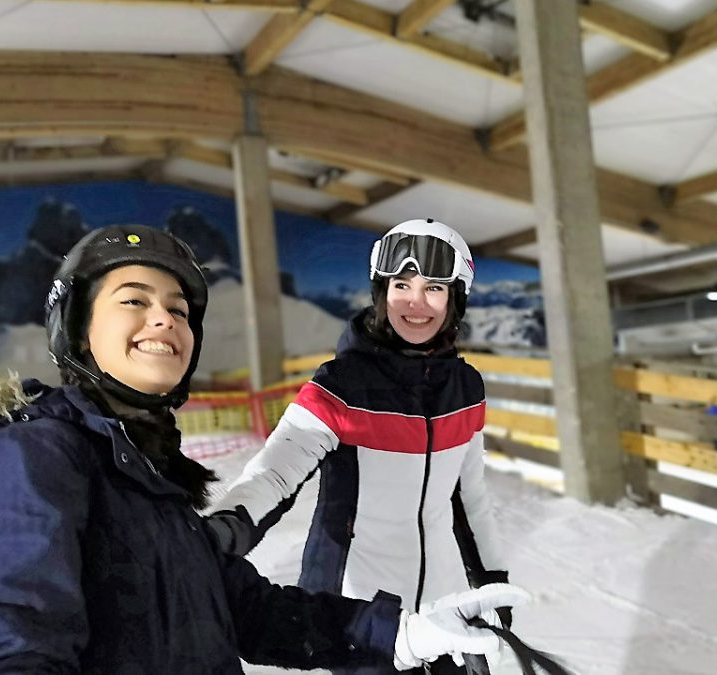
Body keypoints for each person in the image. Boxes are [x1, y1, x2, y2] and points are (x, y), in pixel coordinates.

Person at [0, 224, 527, 674]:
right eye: (134, 301)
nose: (163, 321)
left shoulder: (148, 473)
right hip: (358, 585)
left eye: (177, 310)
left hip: (420, 608)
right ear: (75, 326)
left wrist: (425, 622)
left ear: (456, 301)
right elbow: (278, 468)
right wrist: (229, 526)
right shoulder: (28, 458)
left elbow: (245, 611)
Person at [208, 219, 509, 674]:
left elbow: (468, 497)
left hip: (444, 606)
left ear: (455, 300)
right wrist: (222, 532)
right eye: (401, 285)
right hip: (356, 611)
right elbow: (275, 473)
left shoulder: (465, 388)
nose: (414, 302)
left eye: (433, 288)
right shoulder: (341, 385)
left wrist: (490, 580)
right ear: (381, 293)